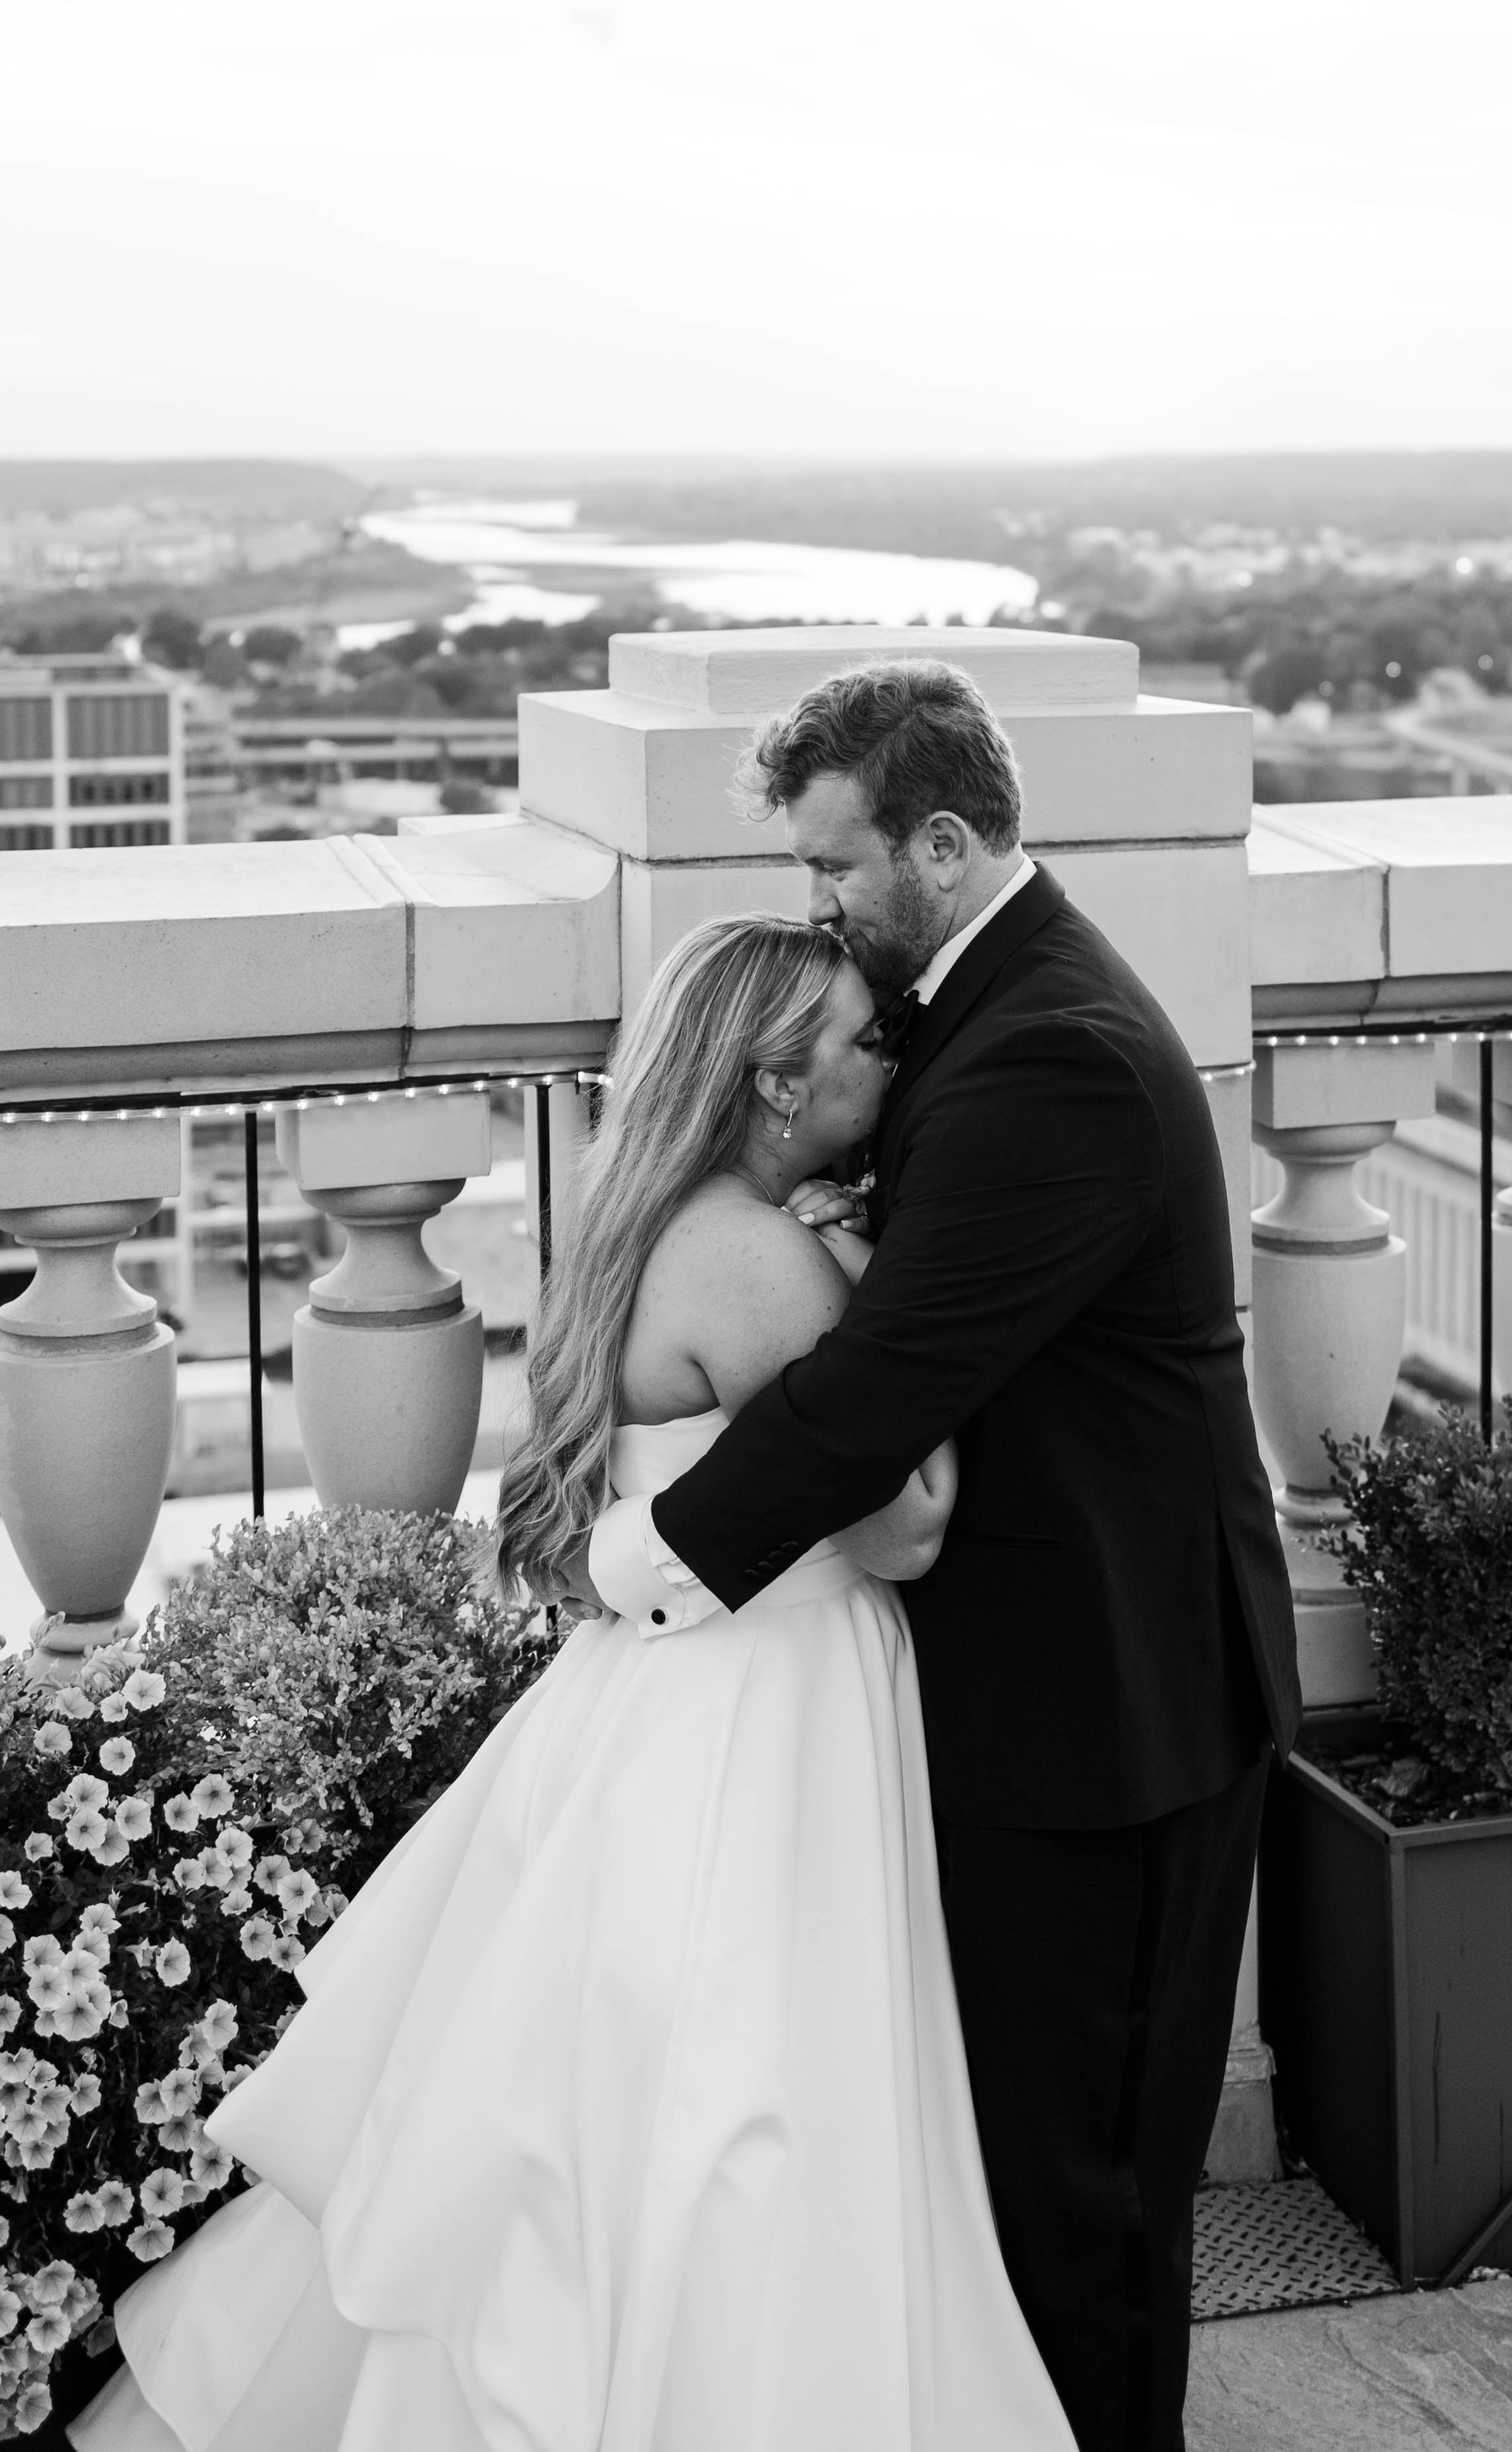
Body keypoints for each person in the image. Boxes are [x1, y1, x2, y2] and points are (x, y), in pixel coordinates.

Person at [73, 914, 1080, 2452]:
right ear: (774, 1082)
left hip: (665, 1700)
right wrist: (882, 1277)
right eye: (865, 1038)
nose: (894, 1057)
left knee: (627, 2102)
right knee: (743, 2110)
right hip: (759, 1719)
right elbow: (910, 1523)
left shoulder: (651, 1224)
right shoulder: (757, 1257)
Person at [589, 659, 1302, 2452]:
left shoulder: (1051, 1049)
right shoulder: (983, 1009)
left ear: (941, 842)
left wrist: (640, 1560)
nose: (819, 901)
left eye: (837, 865)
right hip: (1030, 1693)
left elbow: (882, 1388)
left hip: (1110, 1711)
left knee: (1087, 2198)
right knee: (1009, 2174)